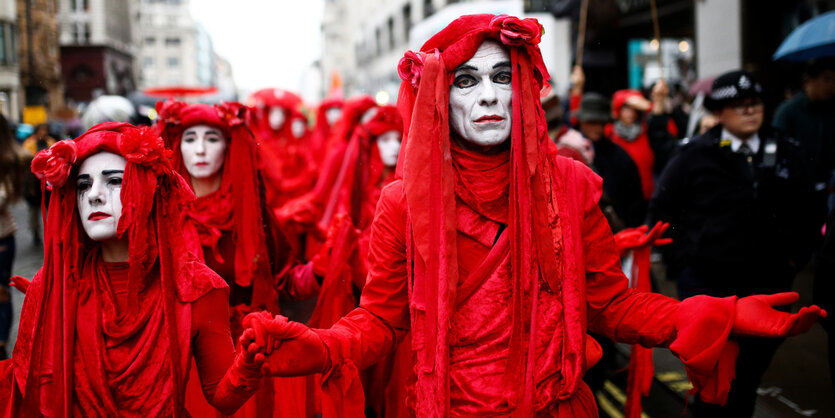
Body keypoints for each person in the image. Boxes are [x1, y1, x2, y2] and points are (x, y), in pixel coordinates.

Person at [241, 15, 825, 417]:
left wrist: (710, 314)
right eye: (467, 81)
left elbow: (609, 303)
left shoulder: (569, 184)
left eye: (502, 77)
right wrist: (322, 347)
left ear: (523, 89)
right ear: (439, 97)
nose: (489, 96)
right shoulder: (403, 201)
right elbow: (382, 320)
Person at [0, 122, 265, 415]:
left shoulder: (198, 288)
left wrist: (248, 365)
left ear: (147, 190)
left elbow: (222, 396)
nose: (94, 195)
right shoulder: (51, 286)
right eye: (84, 185)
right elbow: (28, 395)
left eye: (113, 181)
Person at [650, 70, 820, 417]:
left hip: (769, 287)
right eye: (738, 105)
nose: (749, 111)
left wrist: (793, 262)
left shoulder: (787, 152)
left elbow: (811, 212)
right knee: (712, 381)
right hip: (709, 290)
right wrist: (681, 268)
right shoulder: (694, 155)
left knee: (748, 376)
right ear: (719, 111)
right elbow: (662, 210)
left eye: (754, 103)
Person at [155, 101, 312, 417]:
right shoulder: (157, 216)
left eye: (211, 138)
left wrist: (321, 269)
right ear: (176, 146)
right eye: (190, 138)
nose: (200, 149)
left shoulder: (253, 215)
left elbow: (285, 279)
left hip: (247, 367)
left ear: (228, 146)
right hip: (179, 369)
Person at [284, 104, 406, 417]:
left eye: (399, 138)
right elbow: (331, 200)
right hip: (367, 288)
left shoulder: (411, 184)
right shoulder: (357, 174)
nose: (394, 146)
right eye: (385, 139)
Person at [773, 58, 835, 212]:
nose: (831, 85)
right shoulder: (789, 110)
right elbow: (774, 145)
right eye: (826, 79)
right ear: (809, 81)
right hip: (799, 190)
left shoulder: (832, 108)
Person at [575, 92, 646, 227]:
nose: (597, 127)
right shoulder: (569, 152)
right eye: (592, 122)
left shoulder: (620, 158)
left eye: (601, 122)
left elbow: (634, 202)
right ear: (581, 122)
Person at [0, 113, 23, 360]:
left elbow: (3, 196)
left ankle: (1, 345)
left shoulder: (6, 158)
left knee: (1, 293)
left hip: (2, 236)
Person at [20, 124, 55, 245]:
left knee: (50, 207)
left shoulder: (50, 141)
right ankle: (35, 232)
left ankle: (52, 230)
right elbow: (25, 161)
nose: (43, 132)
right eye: (41, 130)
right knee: (34, 209)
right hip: (33, 181)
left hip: (48, 179)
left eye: (45, 129)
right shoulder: (29, 143)